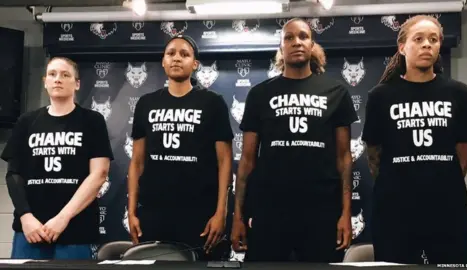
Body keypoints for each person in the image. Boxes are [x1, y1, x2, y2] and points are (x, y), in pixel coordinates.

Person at [230, 18, 358, 262]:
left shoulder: (336, 92)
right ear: (281, 48)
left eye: (303, 36)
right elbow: (246, 160)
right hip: (270, 210)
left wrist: (345, 213)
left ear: (312, 45)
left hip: (321, 211)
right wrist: (237, 217)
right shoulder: (260, 94)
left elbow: (344, 158)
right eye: (289, 37)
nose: (296, 42)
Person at [362, 15, 467, 264]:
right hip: (395, 211)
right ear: (402, 47)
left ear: (438, 47)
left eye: (433, 39)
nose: (427, 44)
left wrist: (442, 180)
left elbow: (463, 149)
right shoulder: (380, 96)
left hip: (448, 210)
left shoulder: (458, 93)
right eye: (419, 39)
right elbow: (374, 152)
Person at [127, 35, 233, 261]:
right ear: (163, 61)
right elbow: (136, 161)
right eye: (171, 53)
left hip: (199, 214)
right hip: (154, 213)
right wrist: (132, 210)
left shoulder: (213, 103)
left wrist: (220, 212)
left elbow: (225, 162)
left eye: (184, 54)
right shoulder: (146, 104)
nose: (177, 58)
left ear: (195, 64)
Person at [1, 57, 113, 259]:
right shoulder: (26, 122)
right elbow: (13, 175)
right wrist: (26, 217)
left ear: (77, 83)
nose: (58, 79)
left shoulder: (92, 121)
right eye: (52, 74)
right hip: (30, 231)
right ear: (45, 81)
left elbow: (99, 174)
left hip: (75, 230)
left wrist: (63, 218)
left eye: (65, 74)